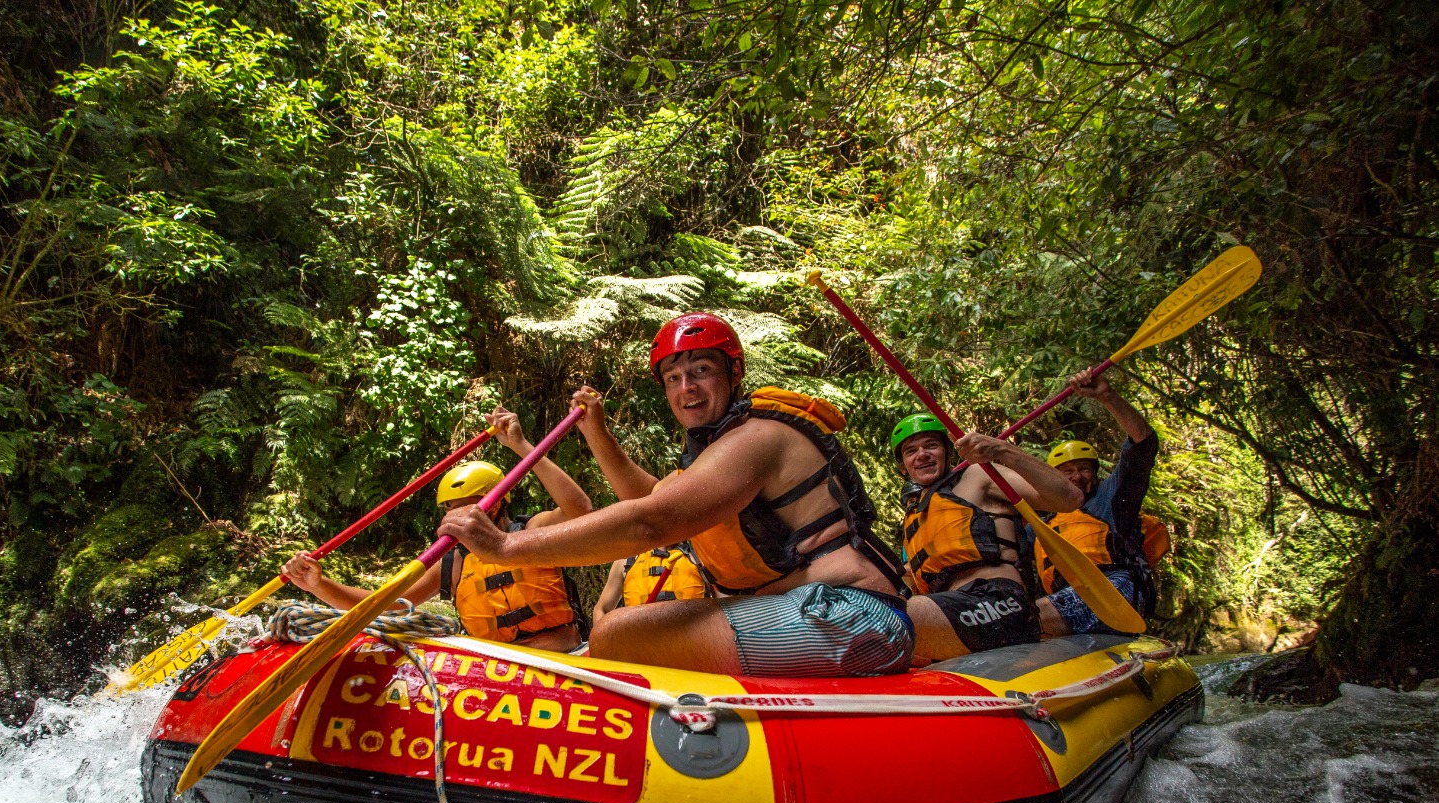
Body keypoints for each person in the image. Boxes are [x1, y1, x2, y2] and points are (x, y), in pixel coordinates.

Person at [436, 312, 912, 678]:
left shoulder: (756, 437)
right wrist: (596, 431)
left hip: (852, 615)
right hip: (807, 606)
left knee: (620, 632)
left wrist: (503, 547)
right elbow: (647, 497)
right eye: (673, 379)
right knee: (630, 627)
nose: (688, 388)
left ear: (734, 373)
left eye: (701, 370)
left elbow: (650, 522)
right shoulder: (714, 454)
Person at [279, 406, 593, 652]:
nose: (452, 516)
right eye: (448, 507)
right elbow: (385, 607)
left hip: (565, 658)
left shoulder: (532, 531)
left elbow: (579, 510)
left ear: (494, 504)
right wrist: (319, 585)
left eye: (462, 505)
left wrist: (521, 445)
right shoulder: (452, 561)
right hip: (498, 669)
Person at [892, 413, 1083, 664]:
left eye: (931, 445)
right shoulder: (915, 520)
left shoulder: (977, 477)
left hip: (1001, 603)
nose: (922, 454)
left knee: (887, 617)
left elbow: (1069, 498)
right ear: (903, 467)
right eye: (911, 451)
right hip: (954, 614)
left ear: (949, 453)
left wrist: (1003, 450)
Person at [1034, 369, 1169, 637]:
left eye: (1083, 469)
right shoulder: (1039, 524)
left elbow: (1142, 446)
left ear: (1095, 473)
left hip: (1115, 588)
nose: (1076, 477)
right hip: (1064, 597)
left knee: (1022, 619)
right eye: (1066, 472)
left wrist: (1108, 397)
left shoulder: (1113, 498)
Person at [591, 543, 710, 623]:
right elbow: (601, 610)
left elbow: (725, 606)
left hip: (690, 649)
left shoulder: (701, 557)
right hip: (641, 650)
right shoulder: (625, 561)